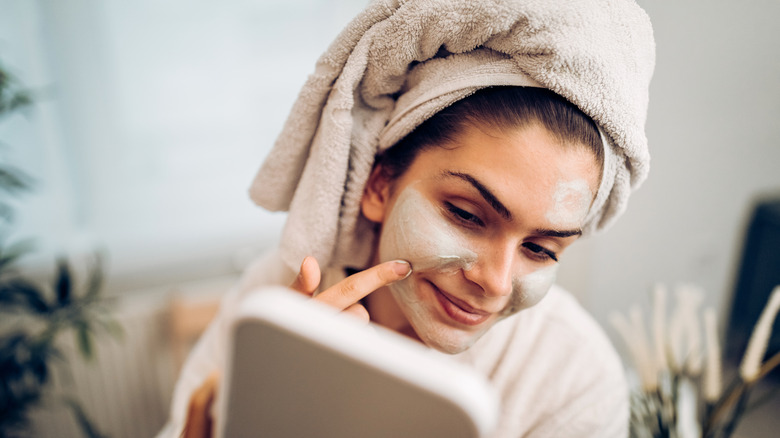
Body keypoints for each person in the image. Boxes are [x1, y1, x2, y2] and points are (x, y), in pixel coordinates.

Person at [158, 0, 655, 436]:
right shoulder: (279, 296)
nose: (496, 283)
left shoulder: (576, 380)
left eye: (540, 249)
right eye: (465, 214)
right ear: (379, 185)